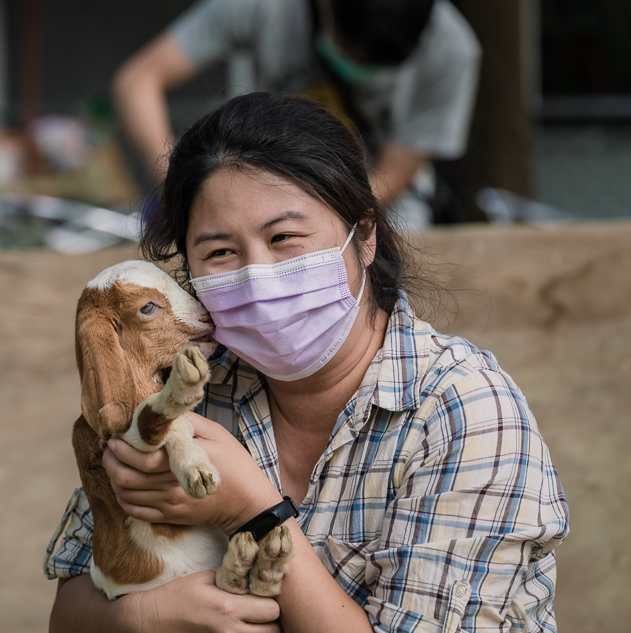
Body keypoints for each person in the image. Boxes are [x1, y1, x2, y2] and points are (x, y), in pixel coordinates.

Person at [44, 93, 568, 632]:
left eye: (284, 238)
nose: (258, 276)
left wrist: (249, 509)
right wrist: (148, 614)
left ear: (364, 237)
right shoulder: (185, 389)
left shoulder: (463, 412)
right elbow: (70, 609)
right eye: (220, 252)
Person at [112, 0, 481, 230]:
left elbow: (394, 174)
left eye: (377, 65)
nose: (362, 70)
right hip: (255, 186)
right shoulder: (267, 7)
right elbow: (138, 80)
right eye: (350, 52)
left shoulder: (452, 49)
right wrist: (177, 191)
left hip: (368, 205)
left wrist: (312, 223)